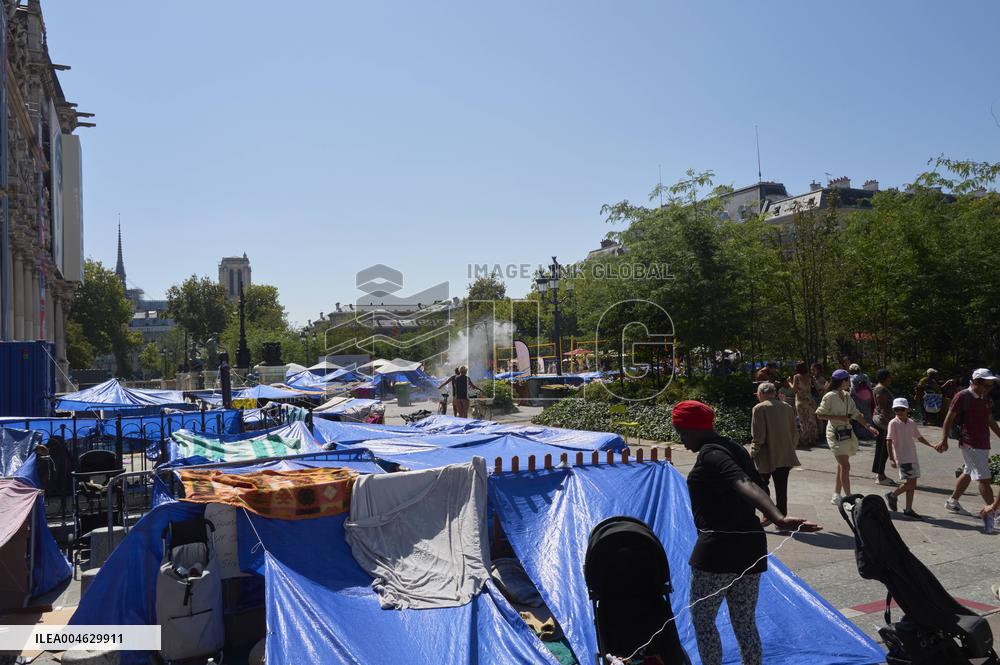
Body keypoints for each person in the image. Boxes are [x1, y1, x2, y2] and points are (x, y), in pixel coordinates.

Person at [674, 400, 820, 665]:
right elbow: (755, 482)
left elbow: (742, 482)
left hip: (717, 552)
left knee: (703, 619)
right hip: (750, 548)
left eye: (682, 433)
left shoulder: (711, 455)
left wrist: (778, 517)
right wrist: (774, 513)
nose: (682, 441)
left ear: (694, 429)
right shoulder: (734, 448)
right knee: (744, 621)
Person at [939, 368, 1000, 529]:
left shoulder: (984, 397)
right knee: (984, 478)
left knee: (968, 471)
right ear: (976, 382)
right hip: (970, 442)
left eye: (991, 385)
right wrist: (944, 439)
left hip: (983, 441)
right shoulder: (962, 396)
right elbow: (948, 418)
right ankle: (995, 512)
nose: (990, 388)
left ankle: (953, 501)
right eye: (987, 385)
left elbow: (990, 420)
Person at [816, 369, 880, 505]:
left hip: (846, 433)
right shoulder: (829, 396)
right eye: (848, 380)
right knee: (845, 466)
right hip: (834, 433)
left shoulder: (846, 395)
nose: (850, 382)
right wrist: (838, 417)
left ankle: (836, 494)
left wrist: (869, 427)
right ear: (843, 381)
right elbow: (819, 414)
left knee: (842, 465)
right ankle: (849, 497)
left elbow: (856, 414)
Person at [750, 383, 800, 522]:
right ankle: (782, 518)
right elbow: (795, 433)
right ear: (775, 393)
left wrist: (751, 454)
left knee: (762, 485)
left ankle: (768, 514)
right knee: (781, 489)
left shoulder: (759, 408)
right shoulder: (787, 407)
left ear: (761, 393)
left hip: (766, 455)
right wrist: (791, 448)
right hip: (785, 454)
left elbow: (758, 437)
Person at [884, 398, 939, 518]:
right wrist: (891, 458)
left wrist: (932, 445)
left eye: (901, 409)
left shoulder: (911, 422)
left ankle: (908, 508)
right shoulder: (893, 423)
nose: (899, 411)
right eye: (896, 409)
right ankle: (893, 495)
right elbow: (888, 440)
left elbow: (919, 437)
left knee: (912, 483)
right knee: (911, 483)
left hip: (912, 456)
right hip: (902, 457)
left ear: (907, 409)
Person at [871, 369, 897, 486]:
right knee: (883, 450)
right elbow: (884, 409)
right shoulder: (881, 389)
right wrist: (890, 424)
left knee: (884, 449)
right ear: (885, 378)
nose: (891, 379)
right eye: (889, 377)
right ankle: (880, 476)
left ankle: (880, 473)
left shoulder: (881, 388)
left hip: (883, 422)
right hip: (882, 423)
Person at [789, 362, 818, 450]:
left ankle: (805, 440)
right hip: (809, 400)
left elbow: (794, 390)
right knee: (811, 420)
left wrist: (789, 382)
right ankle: (813, 439)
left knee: (803, 420)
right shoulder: (809, 376)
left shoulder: (796, 376)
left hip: (800, 400)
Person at [849, 365, 876, 441]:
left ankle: (860, 434)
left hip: (857, 398)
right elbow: (869, 386)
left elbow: (852, 390)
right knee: (867, 415)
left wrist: (850, 397)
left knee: (858, 415)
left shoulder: (852, 377)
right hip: (867, 397)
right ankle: (869, 433)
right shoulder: (865, 376)